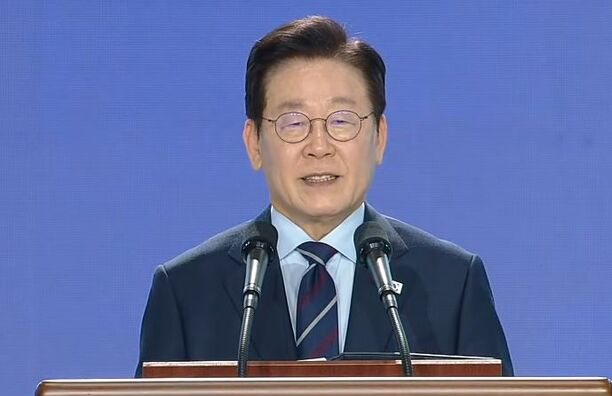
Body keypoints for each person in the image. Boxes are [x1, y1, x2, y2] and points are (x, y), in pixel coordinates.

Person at [136, 16, 513, 376]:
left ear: (379, 138)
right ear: (254, 143)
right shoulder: (186, 290)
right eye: (293, 123)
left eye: (342, 121)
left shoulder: (453, 283)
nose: (319, 146)